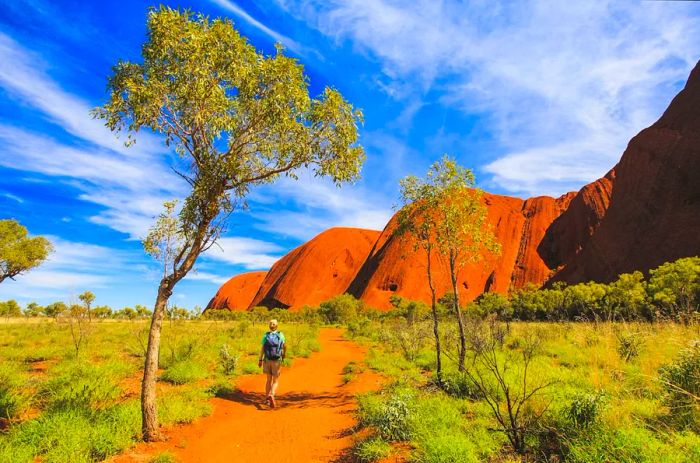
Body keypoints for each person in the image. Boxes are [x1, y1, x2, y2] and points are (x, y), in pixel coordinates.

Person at [258, 319, 286, 408]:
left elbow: (262, 349)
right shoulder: (280, 335)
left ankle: (267, 398)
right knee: (276, 380)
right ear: (276, 326)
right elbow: (284, 346)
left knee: (268, 380)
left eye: (271, 324)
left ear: (270, 326)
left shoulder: (266, 335)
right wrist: (283, 355)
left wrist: (260, 360)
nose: (272, 325)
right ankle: (272, 395)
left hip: (267, 360)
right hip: (276, 360)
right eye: (272, 323)